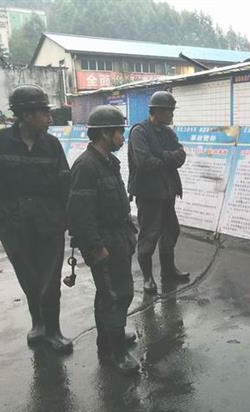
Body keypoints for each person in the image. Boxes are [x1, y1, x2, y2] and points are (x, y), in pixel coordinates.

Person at [0, 84, 72, 352]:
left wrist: (67, 220)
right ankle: (38, 323)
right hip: (14, 224)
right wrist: (0, 219)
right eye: (44, 113)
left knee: (50, 279)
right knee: (29, 277)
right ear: (27, 115)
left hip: (49, 223)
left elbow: (65, 184)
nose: (50, 118)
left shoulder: (51, 145)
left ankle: (53, 330)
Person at [67, 105, 140, 375]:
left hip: (118, 237)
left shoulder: (108, 161)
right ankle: (116, 354)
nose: (123, 137)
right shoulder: (86, 166)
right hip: (104, 243)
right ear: (105, 134)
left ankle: (107, 340)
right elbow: (80, 214)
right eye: (120, 132)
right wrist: (96, 248)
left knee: (111, 294)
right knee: (115, 295)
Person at [128, 91, 190, 294]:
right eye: (169, 111)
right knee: (149, 235)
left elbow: (181, 156)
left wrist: (162, 156)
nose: (172, 115)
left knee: (171, 231)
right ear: (157, 111)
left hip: (168, 191)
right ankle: (147, 278)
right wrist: (169, 158)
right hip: (149, 193)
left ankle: (168, 270)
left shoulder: (167, 132)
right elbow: (144, 162)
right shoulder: (139, 132)